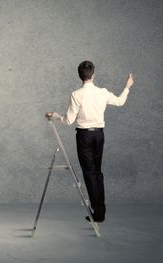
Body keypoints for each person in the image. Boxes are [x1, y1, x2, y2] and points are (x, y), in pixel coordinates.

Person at [45, 60, 134, 223]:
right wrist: (127, 86)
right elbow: (120, 102)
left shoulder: (76, 94)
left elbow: (68, 120)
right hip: (99, 135)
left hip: (84, 136)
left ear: (80, 76)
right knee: (97, 173)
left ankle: (98, 213)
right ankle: (101, 211)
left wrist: (55, 115)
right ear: (93, 75)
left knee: (90, 173)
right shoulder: (102, 92)